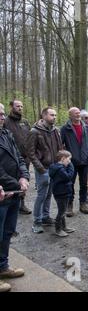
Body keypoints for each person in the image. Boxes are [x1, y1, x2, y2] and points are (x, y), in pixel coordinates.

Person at [0, 104, 30, 292]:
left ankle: (3, 267)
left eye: (3, 113)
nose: (2, 117)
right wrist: (15, 183)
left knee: (6, 232)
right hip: (4, 192)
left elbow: (19, 158)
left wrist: (24, 177)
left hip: (13, 194)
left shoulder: (6, 134)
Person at [27, 107, 63, 234]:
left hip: (54, 168)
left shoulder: (55, 130)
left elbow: (60, 148)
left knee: (49, 194)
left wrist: (60, 164)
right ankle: (36, 222)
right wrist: (41, 169)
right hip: (43, 168)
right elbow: (30, 153)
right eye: (52, 115)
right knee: (41, 195)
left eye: (55, 115)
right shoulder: (34, 131)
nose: (54, 117)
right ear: (44, 116)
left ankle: (45, 217)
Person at [60, 107, 88, 216]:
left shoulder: (86, 128)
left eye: (79, 113)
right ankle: (69, 205)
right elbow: (61, 145)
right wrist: (65, 158)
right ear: (70, 115)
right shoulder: (65, 128)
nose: (78, 115)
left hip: (84, 161)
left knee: (84, 184)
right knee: (70, 183)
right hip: (71, 162)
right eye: (75, 113)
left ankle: (83, 203)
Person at [4, 100, 32, 215]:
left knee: (23, 181)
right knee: (11, 182)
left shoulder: (25, 122)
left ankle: (21, 204)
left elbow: (30, 137)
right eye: (17, 106)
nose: (20, 108)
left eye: (21, 106)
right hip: (10, 159)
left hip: (25, 158)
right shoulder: (6, 122)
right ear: (11, 107)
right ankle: (8, 205)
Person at [49, 150, 76, 237]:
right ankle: (58, 229)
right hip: (61, 193)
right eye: (69, 160)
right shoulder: (60, 169)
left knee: (63, 211)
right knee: (61, 212)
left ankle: (64, 227)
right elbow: (68, 177)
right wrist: (71, 166)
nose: (69, 162)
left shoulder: (58, 168)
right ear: (63, 158)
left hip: (63, 192)